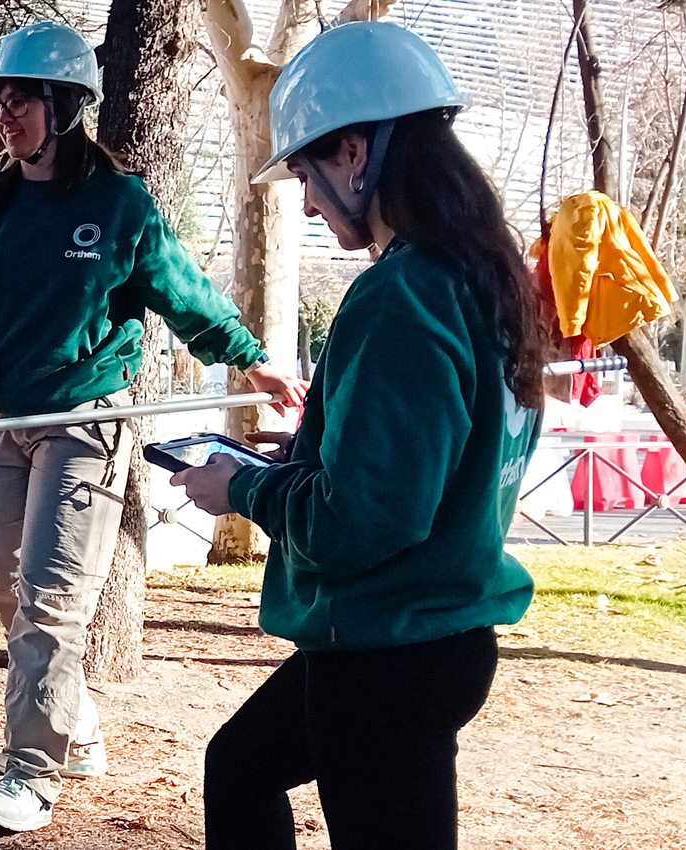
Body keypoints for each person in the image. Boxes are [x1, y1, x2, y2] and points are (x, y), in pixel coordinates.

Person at [171, 21, 553, 850]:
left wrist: (237, 488)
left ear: (353, 151)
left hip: (385, 651)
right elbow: (437, 458)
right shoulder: (482, 278)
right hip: (433, 636)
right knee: (239, 766)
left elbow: (363, 521)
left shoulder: (400, 295)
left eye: (307, 171)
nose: (306, 201)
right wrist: (304, 457)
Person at [0, 21, 307, 833]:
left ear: (68, 105)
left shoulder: (119, 205)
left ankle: (30, 774)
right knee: (8, 591)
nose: (5, 114)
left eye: (22, 98)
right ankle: (75, 726)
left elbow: (185, 295)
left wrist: (252, 359)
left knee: (51, 598)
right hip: (2, 426)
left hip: (88, 427)